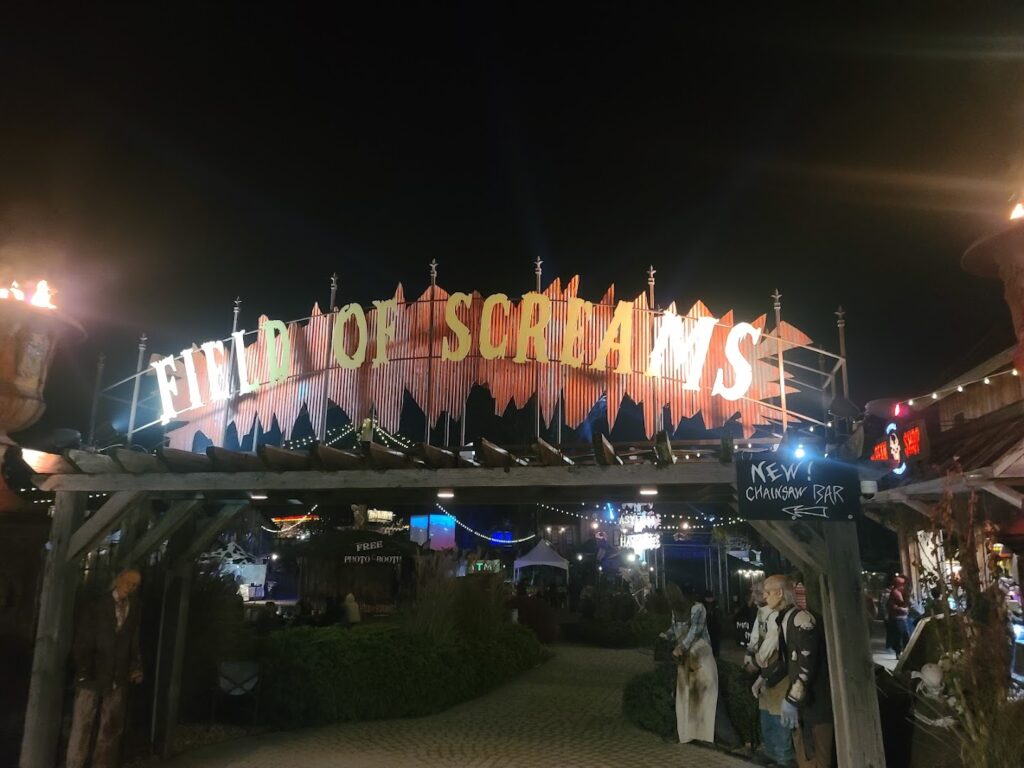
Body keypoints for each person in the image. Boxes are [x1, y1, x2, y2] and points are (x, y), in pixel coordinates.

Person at [66, 569, 144, 768]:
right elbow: (83, 639)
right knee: (82, 727)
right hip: (92, 672)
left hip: (117, 673)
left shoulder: (134, 608)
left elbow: (133, 640)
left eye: (134, 585)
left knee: (110, 729)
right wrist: (83, 669)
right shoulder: (97, 606)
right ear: (118, 580)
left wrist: (135, 666)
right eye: (128, 582)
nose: (130, 587)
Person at [774, 575, 834, 768]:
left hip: (816, 704)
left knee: (818, 755)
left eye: (767, 592)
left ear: (780, 593)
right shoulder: (787, 620)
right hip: (805, 705)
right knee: (805, 753)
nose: (764, 597)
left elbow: (806, 664)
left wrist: (792, 699)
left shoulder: (802, 620)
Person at [746, 575, 795, 767]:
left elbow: (771, 641)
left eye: (765, 592)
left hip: (778, 670)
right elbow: (757, 636)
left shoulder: (778, 615)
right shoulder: (765, 613)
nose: (761, 596)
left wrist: (756, 661)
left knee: (777, 714)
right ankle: (773, 753)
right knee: (767, 712)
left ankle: (782, 757)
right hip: (768, 669)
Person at [664, 582, 718, 744]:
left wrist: (680, 647)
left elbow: (695, 632)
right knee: (686, 698)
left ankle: (711, 736)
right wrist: (665, 636)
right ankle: (688, 734)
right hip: (685, 658)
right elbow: (674, 629)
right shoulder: (676, 611)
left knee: (704, 696)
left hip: (700, 656)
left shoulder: (698, 608)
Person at [887, 575, 910, 658]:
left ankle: (903, 652)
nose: (903, 586)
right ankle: (899, 652)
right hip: (898, 618)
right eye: (901, 584)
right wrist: (903, 609)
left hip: (902, 617)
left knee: (904, 635)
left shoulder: (900, 592)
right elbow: (892, 606)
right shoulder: (895, 593)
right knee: (900, 636)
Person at [701, 589, 722, 657]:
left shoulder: (716, 603)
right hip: (707, 626)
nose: (710, 599)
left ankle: (716, 655)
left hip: (715, 626)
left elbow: (719, 613)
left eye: (711, 598)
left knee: (716, 643)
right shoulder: (702, 604)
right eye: (709, 598)